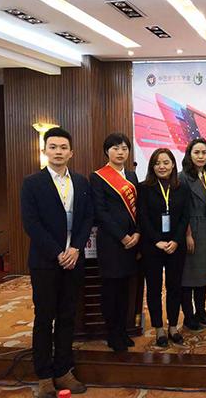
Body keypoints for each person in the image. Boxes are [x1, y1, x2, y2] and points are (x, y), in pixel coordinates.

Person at [21, 127, 93, 398]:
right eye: (53, 147)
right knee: (44, 317)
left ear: (71, 152)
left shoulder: (81, 182)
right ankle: (44, 375)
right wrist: (57, 252)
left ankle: (64, 370)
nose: (58, 152)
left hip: (74, 260)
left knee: (67, 316)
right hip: (45, 262)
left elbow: (87, 218)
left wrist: (75, 248)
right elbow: (31, 223)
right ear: (45, 151)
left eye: (63, 147)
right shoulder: (32, 183)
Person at [90, 133, 139, 353]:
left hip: (132, 243)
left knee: (125, 288)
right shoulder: (98, 177)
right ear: (106, 151)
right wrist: (122, 236)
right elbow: (100, 212)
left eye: (124, 148)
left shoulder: (132, 176)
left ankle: (123, 330)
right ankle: (112, 333)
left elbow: (139, 208)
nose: (120, 152)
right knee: (111, 289)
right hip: (111, 243)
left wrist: (137, 233)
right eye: (115, 148)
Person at [137, 148, 190, 347]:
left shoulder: (181, 187)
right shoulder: (144, 188)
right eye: (157, 163)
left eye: (166, 162)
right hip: (153, 246)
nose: (162, 166)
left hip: (176, 245)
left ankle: (173, 326)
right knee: (154, 287)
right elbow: (142, 217)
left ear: (173, 164)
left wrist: (176, 240)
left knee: (174, 286)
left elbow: (185, 216)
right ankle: (159, 328)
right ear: (152, 166)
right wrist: (156, 240)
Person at [179, 138, 206, 330]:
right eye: (196, 152)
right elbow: (181, 210)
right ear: (189, 155)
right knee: (188, 276)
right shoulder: (182, 178)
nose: (201, 156)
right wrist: (187, 234)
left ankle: (201, 311)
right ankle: (189, 316)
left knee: (202, 274)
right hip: (191, 230)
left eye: (204, 152)